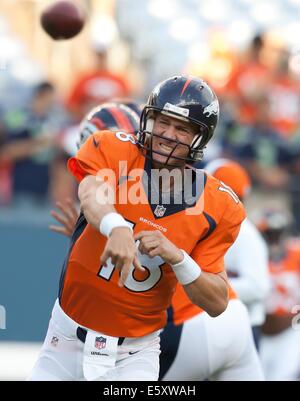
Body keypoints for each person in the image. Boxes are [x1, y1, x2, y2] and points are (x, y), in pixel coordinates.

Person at [29, 75, 245, 381]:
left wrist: (180, 259)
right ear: (149, 119)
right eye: (162, 122)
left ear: (200, 138)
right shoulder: (113, 148)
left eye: (181, 129)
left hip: (134, 355)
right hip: (63, 341)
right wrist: (116, 227)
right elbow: (91, 196)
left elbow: (217, 302)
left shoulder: (218, 206)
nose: (168, 134)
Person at [51, 157, 265, 381]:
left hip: (190, 319)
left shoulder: (197, 217)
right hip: (238, 319)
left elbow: (144, 270)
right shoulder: (225, 220)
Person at [257, 210, 300, 380]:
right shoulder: (252, 258)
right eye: (269, 234)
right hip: (259, 331)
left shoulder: (296, 254)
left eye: (277, 233)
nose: (273, 239)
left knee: (284, 376)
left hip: (292, 330)